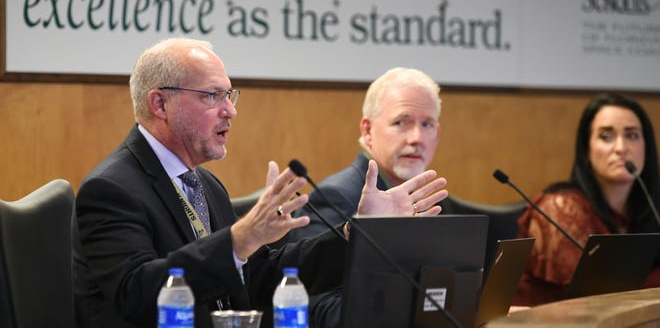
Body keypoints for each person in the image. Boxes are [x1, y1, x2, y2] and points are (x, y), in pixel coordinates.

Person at [71, 37, 448, 328]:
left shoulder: (204, 184)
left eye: (229, 95)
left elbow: (259, 278)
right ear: (160, 104)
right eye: (212, 96)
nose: (230, 110)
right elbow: (135, 293)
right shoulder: (111, 190)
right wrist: (240, 239)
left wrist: (357, 233)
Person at [285, 67, 444, 326]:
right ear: (368, 130)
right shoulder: (336, 197)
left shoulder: (432, 202)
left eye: (427, 124)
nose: (417, 138)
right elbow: (317, 307)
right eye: (401, 122)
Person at [513, 93, 660, 306]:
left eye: (632, 135)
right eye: (606, 136)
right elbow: (596, 297)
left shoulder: (651, 210)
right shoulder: (559, 209)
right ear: (586, 151)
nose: (621, 148)